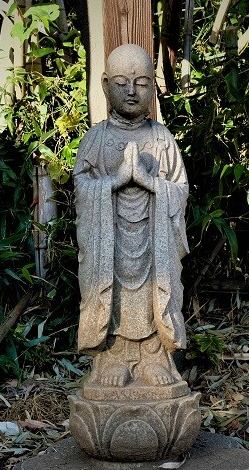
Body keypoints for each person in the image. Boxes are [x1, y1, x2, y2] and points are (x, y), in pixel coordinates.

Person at [73, 43, 189, 388]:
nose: (131, 90)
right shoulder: (97, 138)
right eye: (122, 81)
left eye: (141, 82)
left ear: (153, 87)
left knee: (156, 292)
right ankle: (111, 359)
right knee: (109, 292)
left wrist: (150, 183)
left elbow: (179, 187)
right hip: (107, 240)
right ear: (106, 85)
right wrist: (117, 181)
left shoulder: (162, 138)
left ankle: (155, 357)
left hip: (155, 241)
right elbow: (81, 187)